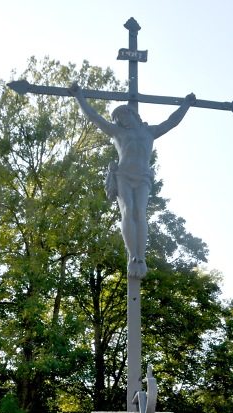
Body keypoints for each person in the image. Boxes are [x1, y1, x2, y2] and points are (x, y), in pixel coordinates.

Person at [70, 83, 196, 278]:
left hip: (143, 176)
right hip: (124, 176)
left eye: (121, 117)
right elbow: (93, 116)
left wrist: (186, 105)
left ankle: (141, 256)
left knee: (140, 212)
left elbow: (172, 121)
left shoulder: (150, 132)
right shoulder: (118, 132)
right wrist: (79, 96)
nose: (119, 121)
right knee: (128, 211)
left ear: (131, 114)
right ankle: (132, 255)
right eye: (117, 120)